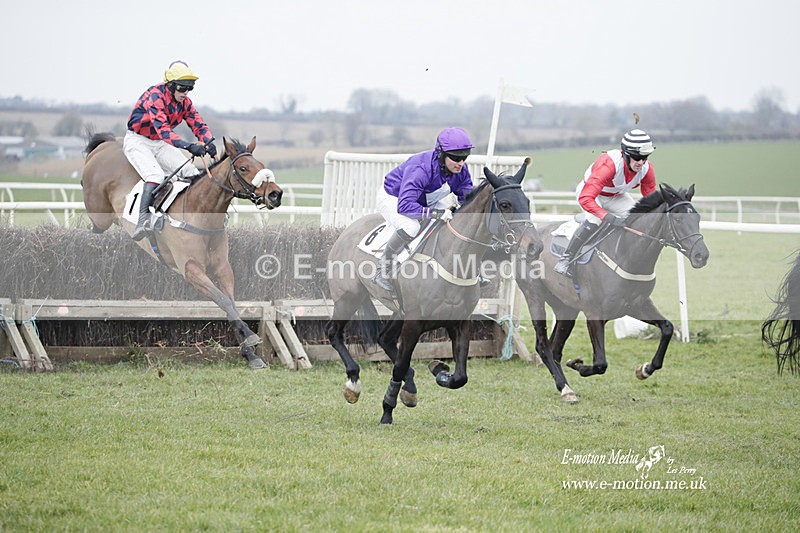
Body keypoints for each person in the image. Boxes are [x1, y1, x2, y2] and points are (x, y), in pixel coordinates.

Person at [123, 60, 218, 241]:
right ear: (171, 85)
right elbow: (164, 131)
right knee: (156, 176)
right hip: (138, 141)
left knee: (191, 173)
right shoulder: (155, 96)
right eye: (182, 88)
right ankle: (143, 219)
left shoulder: (185, 102)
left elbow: (198, 124)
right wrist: (189, 146)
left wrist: (209, 141)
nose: (186, 93)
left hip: (159, 143)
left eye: (190, 88)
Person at [373, 127, 474, 291]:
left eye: (465, 156)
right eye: (456, 157)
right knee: (411, 227)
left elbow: (467, 197)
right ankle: (382, 269)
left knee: (454, 223)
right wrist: (437, 213)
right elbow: (405, 206)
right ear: (441, 153)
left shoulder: (461, 170)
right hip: (394, 197)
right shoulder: (421, 169)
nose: (461, 163)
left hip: (424, 199)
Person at [554, 129, 657, 277]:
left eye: (644, 157)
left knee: (636, 218)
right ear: (625, 154)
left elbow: (651, 202)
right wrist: (608, 217)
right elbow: (586, 198)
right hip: (589, 193)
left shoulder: (647, 170)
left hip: (616, 196)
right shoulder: (609, 165)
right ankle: (566, 258)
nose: (641, 162)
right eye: (636, 157)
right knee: (595, 219)